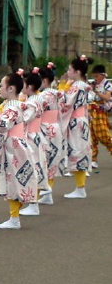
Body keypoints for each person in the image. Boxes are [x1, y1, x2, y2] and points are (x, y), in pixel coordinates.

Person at [0, 71, 38, 230]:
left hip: (14, 146)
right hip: (18, 143)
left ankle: (14, 218)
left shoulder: (11, 107)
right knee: (16, 179)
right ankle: (15, 215)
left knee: (13, 179)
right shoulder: (17, 105)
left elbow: (3, 126)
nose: (0, 89)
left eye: (2, 86)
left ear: (11, 88)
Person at [60, 55, 94, 199]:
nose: (68, 72)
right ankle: (80, 186)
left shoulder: (76, 86)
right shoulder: (85, 85)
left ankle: (80, 188)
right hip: (82, 120)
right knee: (80, 150)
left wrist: (61, 89)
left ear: (77, 72)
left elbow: (66, 103)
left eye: (70, 69)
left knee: (76, 151)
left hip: (76, 122)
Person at [19, 68, 49, 217]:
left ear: (30, 87)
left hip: (31, 137)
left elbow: (25, 119)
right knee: (36, 166)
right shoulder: (38, 98)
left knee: (32, 167)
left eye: (24, 85)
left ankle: (33, 203)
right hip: (36, 135)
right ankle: (33, 200)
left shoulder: (31, 102)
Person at [38, 63, 67, 205]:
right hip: (56, 127)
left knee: (42, 160)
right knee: (52, 160)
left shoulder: (42, 96)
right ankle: (48, 191)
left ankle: (44, 191)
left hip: (44, 128)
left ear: (44, 81)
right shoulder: (58, 93)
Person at [88, 64, 112, 170]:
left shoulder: (107, 84)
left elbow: (107, 97)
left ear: (102, 75)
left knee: (104, 135)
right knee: (92, 137)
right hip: (92, 111)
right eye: (94, 76)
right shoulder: (93, 84)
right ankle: (93, 160)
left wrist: (96, 91)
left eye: (97, 76)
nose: (95, 78)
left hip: (101, 112)